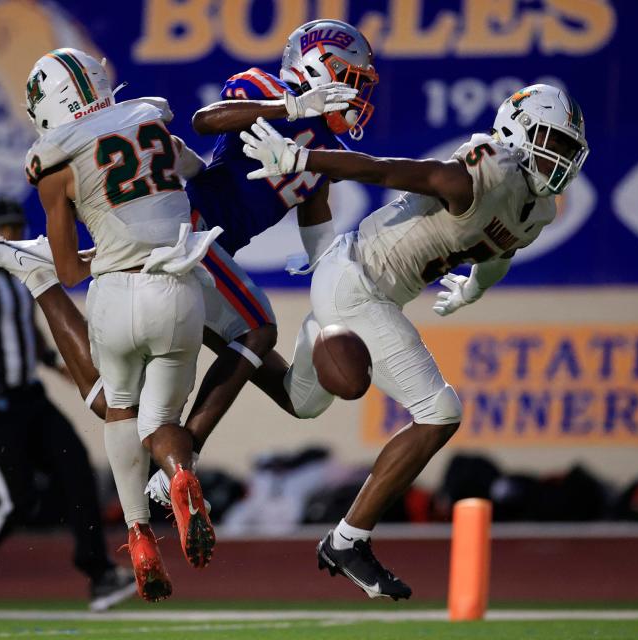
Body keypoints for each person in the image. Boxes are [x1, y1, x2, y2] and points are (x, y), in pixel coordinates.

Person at [0, 21, 377, 509]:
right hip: (196, 230)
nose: (355, 92)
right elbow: (208, 119)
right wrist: (289, 106)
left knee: (125, 408)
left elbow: (316, 214)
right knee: (258, 332)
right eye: (349, 77)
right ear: (313, 68)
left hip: (212, 250)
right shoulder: (264, 88)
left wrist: (325, 268)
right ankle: (185, 459)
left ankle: (41, 275)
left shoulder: (330, 151)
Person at [239, 83, 590, 599]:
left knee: (302, 400)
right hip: (355, 279)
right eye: (551, 142)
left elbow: (500, 252)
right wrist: (301, 157)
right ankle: (347, 540)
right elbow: (388, 170)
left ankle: (232, 339)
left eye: (566, 150)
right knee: (439, 411)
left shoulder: (537, 210)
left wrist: (473, 287)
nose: (557, 160)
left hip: (368, 291)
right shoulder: (487, 168)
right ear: (516, 131)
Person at [16, 47, 226, 602]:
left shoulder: (53, 164)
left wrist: (106, 253)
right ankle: (180, 476)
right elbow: (194, 168)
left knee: (120, 409)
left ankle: (137, 534)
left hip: (113, 296)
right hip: (178, 290)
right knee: (162, 423)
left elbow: (66, 270)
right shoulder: (149, 119)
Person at [0, 198, 136, 614]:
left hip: (29, 396)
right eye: (2, 228)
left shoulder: (16, 274)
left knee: (76, 470)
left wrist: (55, 364)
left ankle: (99, 572)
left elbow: (24, 332)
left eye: (16, 227)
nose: (10, 236)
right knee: (13, 498)